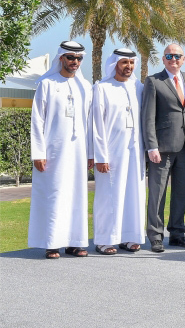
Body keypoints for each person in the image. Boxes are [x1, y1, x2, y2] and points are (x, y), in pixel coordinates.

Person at [28, 41, 93, 259]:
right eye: (71, 58)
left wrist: (91, 153)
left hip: (78, 152)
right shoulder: (46, 84)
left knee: (76, 195)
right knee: (55, 194)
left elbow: (90, 123)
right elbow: (37, 120)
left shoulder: (85, 86)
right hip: (53, 151)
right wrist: (38, 152)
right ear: (61, 59)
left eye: (79, 58)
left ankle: (75, 243)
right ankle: (52, 243)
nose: (75, 62)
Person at [141, 44, 185, 253]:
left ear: (183, 59)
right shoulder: (154, 81)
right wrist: (151, 146)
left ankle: (177, 234)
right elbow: (147, 116)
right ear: (163, 59)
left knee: (181, 194)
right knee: (158, 194)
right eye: (169, 56)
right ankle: (156, 236)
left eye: (177, 56)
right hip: (162, 148)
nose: (173, 59)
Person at [91, 48, 146, 255]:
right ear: (115, 64)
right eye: (124, 63)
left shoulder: (138, 87)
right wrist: (101, 156)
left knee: (133, 194)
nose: (128, 67)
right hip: (111, 152)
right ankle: (105, 239)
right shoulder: (102, 88)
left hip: (135, 151)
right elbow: (97, 124)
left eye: (132, 63)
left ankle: (129, 236)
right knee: (109, 196)